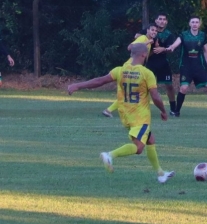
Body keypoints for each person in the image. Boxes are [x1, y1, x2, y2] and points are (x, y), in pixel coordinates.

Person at [68, 43, 174, 183]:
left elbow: (99, 81)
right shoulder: (146, 73)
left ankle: (160, 173)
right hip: (140, 116)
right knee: (138, 148)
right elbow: (155, 96)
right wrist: (163, 111)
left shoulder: (120, 70)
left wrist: (77, 85)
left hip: (125, 115)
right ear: (144, 55)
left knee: (150, 139)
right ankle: (109, 155)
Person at [102, 23, 158, 117]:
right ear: (147, 30)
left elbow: (143, 54)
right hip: (131, 66)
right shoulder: (143, 38)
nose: (154, 32)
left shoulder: (148, 40)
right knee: (130, 92)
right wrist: (148, 42)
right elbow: (130, 47)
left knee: (130, 92)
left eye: (156, 31)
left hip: (135, 67)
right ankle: (110, 110)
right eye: (152, 30)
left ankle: (110, 110)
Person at [166, 16, 207, 117]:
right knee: (183, 89)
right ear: (189, 24)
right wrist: (171, 48)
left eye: (196, 22)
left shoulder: (202, 35)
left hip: (200, 67)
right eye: (192, 22)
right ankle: (176, 111)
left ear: (199, 24)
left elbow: (206, 50)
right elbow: (175, 44)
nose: (194, 24)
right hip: (186, 67)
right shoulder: (184, 35)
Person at [146, 13, 177, 116]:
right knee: (145, 86)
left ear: (166, 22)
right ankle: (141, 107)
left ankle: (173, 108)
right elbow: (137, 36)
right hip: (150, 63)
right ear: (156, 21)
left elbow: (170, 49)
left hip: (163, 63)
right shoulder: (150, 31)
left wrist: (162, 49)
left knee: (169, 86)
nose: (162, 21)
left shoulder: (168, 34)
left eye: (164, 19)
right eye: (160, 19)